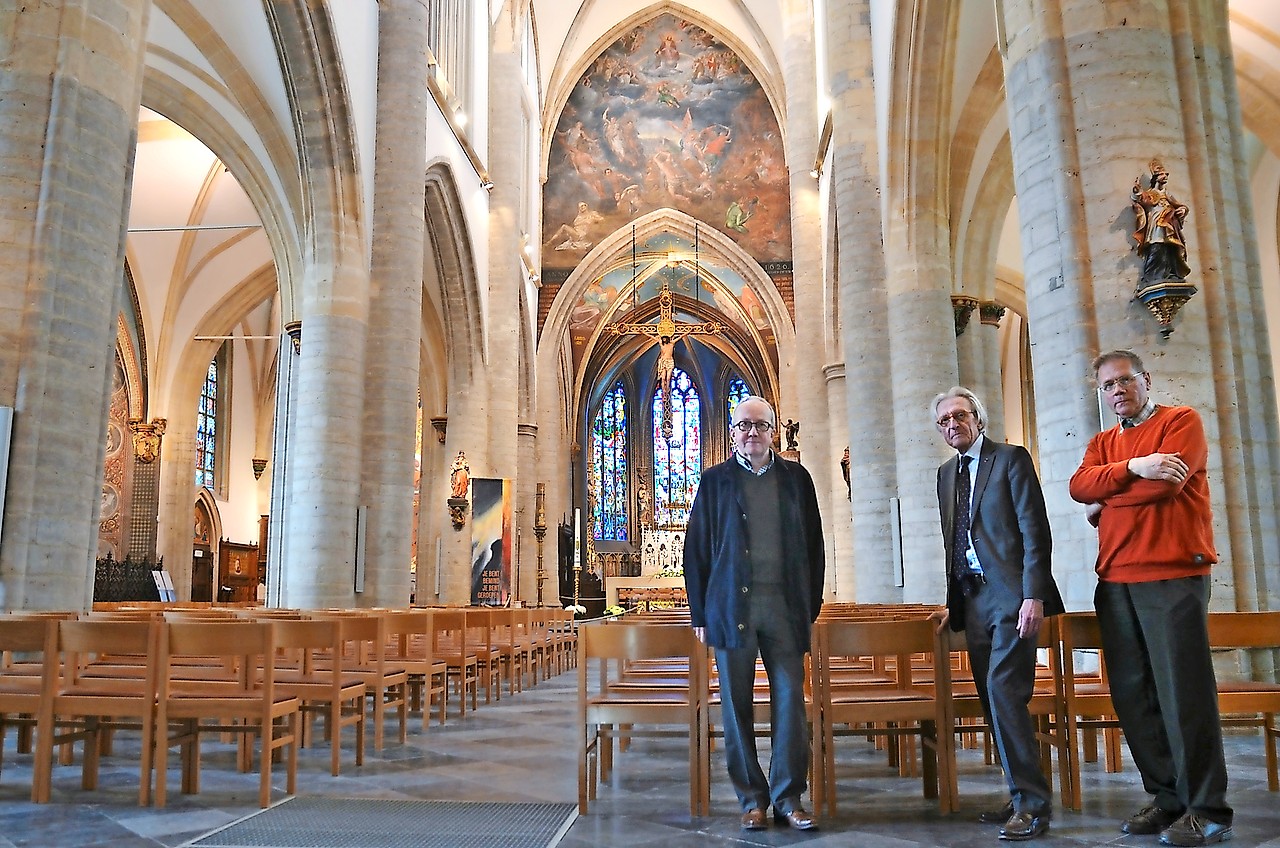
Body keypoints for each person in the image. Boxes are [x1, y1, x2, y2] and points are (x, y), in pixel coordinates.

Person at [1068, 350, 1232, 846]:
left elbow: (1164, 490)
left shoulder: (1181, 421)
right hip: (1115, 579)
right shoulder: (1102, 441)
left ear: (1146, 379)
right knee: (1134, 696)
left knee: (1183, 694)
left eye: (1125, 380)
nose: (1117, 390)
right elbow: (1078, 487)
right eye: (1107, 386)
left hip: (1171, 574)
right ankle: (1168, 798)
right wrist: (1137, 466)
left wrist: (1106, 501)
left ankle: (1208, 809)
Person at [683, 395, 825, 831]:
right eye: (744, 426)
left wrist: (811, 604)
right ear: (733, 433)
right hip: (730, 608)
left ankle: (788, 797)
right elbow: (697, 551)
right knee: (735, 707)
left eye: (760, 426)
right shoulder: (715, 481)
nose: (752, 433)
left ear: (773, 431)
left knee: (790, 702)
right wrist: (700, 613)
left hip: (783, 608)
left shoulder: (797, 478)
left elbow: (814, 545)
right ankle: (752, 799)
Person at [931, 387, 1063, 842]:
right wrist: (953, 604)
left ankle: (1033, 804)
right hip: (973, 601)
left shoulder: (1010, 459)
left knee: (1004, 692)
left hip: (1012, 597)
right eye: (944, 420)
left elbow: (1034, 530)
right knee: (992, 701)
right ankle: (1019, 792)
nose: (953, 425)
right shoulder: (946, 474)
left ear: (979, 419)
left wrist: (1034, 595)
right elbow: (955, 543)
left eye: (960, 416)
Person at [1131, 160, 1191, 285]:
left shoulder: (1167, 194)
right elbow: (1141, 199)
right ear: (1156, 178)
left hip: (1169, 226)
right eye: (1162, 174)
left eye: (1166, 174)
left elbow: (1180, 205)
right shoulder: (1151, 193)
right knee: (1156, 247)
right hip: (1156, 225)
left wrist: (1182, 210)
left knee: (1170, 248)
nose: (1165, 177)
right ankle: (1152, 276)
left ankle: (1171, 273)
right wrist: (1138, 191)